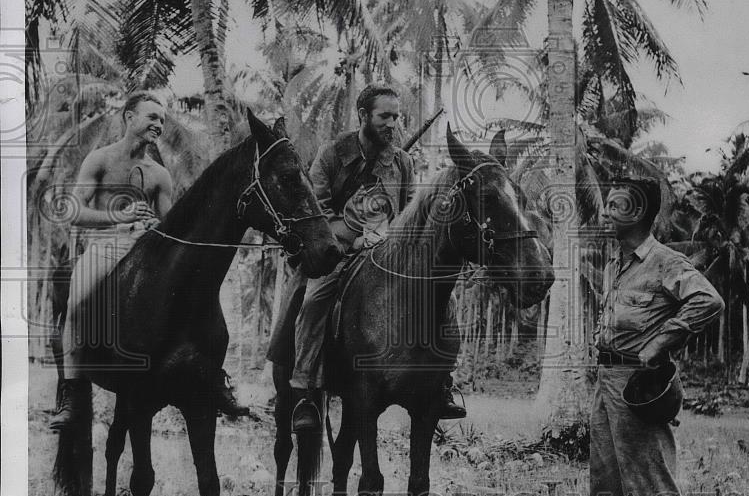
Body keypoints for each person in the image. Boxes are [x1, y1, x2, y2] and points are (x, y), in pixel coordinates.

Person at [49, 91, 247, 430]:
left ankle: (213, 375)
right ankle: (72, 391)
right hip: (105, 247)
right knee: (79, 303)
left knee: (197, 298)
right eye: (151, 117)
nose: (158, 124)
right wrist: (118, 215)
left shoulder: (159, 175)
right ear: (129, 117)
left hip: (146, 249)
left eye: (162, 119)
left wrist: (154, 225)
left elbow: (169, 228)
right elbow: (74, 213)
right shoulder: (100, 160)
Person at [277, 83, 467, 433]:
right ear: (363, 115)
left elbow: (413, 215)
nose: (392, 123)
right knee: (314, 299)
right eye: (384, 116)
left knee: (445, 298)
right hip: (340, 253)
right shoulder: (332, 154)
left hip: (390, 256)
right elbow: (318, 212)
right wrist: (355, 238)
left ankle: (443, 382)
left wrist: (393, 241)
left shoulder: (402, 162)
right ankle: (305, 390)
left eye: (396, 117)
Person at [581, 177, 724, 496]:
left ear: (639, 212)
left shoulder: (664, 261)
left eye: (614, 205)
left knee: (650, 485)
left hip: (638, 386)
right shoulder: (615, 262)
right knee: (606, 487)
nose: (605, 212)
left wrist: (659, 343)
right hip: (606, 383)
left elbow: (708, 300)